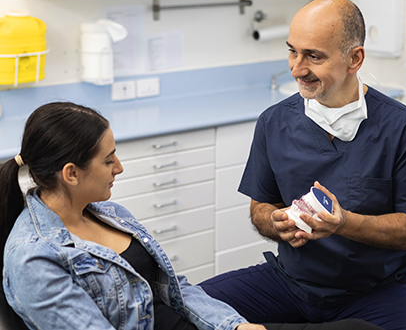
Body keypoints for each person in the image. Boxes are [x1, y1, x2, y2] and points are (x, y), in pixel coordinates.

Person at [0, 101, 382, 330]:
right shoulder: (34, 258)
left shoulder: (108, 214)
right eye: (108, 159)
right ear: (71, 173)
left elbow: (175, 287)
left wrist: (234, 326)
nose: (119, 167)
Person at [199, 0, 406, 330]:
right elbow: (261, 205)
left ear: (354, 59)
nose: (296, 68)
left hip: (377, 292)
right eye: (292, 51)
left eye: (313, 56)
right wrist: (273, 222)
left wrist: (343, 223)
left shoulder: (402, 128)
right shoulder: (274, 122)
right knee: (187, 309)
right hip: (289, 285)